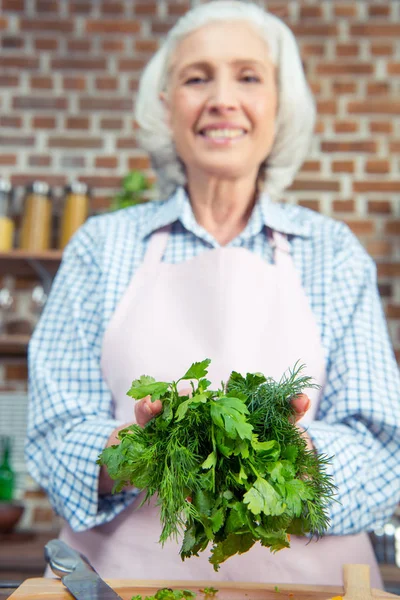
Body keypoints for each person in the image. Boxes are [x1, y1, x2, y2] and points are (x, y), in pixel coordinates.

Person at [25, 0, 400, 588]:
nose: (222, 98)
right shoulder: (101, 247)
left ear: (281, 105)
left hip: (312, 588)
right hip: (121, 586)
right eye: (196, 77)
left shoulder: (333, 253)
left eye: (248, 77)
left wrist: (298, 456)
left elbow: (381, 450)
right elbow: (51, 436)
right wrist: (131, 451)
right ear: (167, 106)